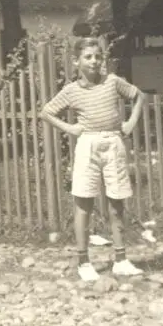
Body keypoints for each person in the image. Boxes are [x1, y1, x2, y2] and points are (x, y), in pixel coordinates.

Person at [40, 37, 146, 281]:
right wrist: (70, 128)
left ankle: (121, 260)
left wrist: (130, 122)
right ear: (76, 61)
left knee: (117, 201)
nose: (94, 61)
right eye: (88, 57)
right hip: (88, 144)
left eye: (98, 56)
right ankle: (83, 261)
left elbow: (139, 96)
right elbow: (45, 112)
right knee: (83, 202)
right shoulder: (71, 91)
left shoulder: (112, 82)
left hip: (114, 143)